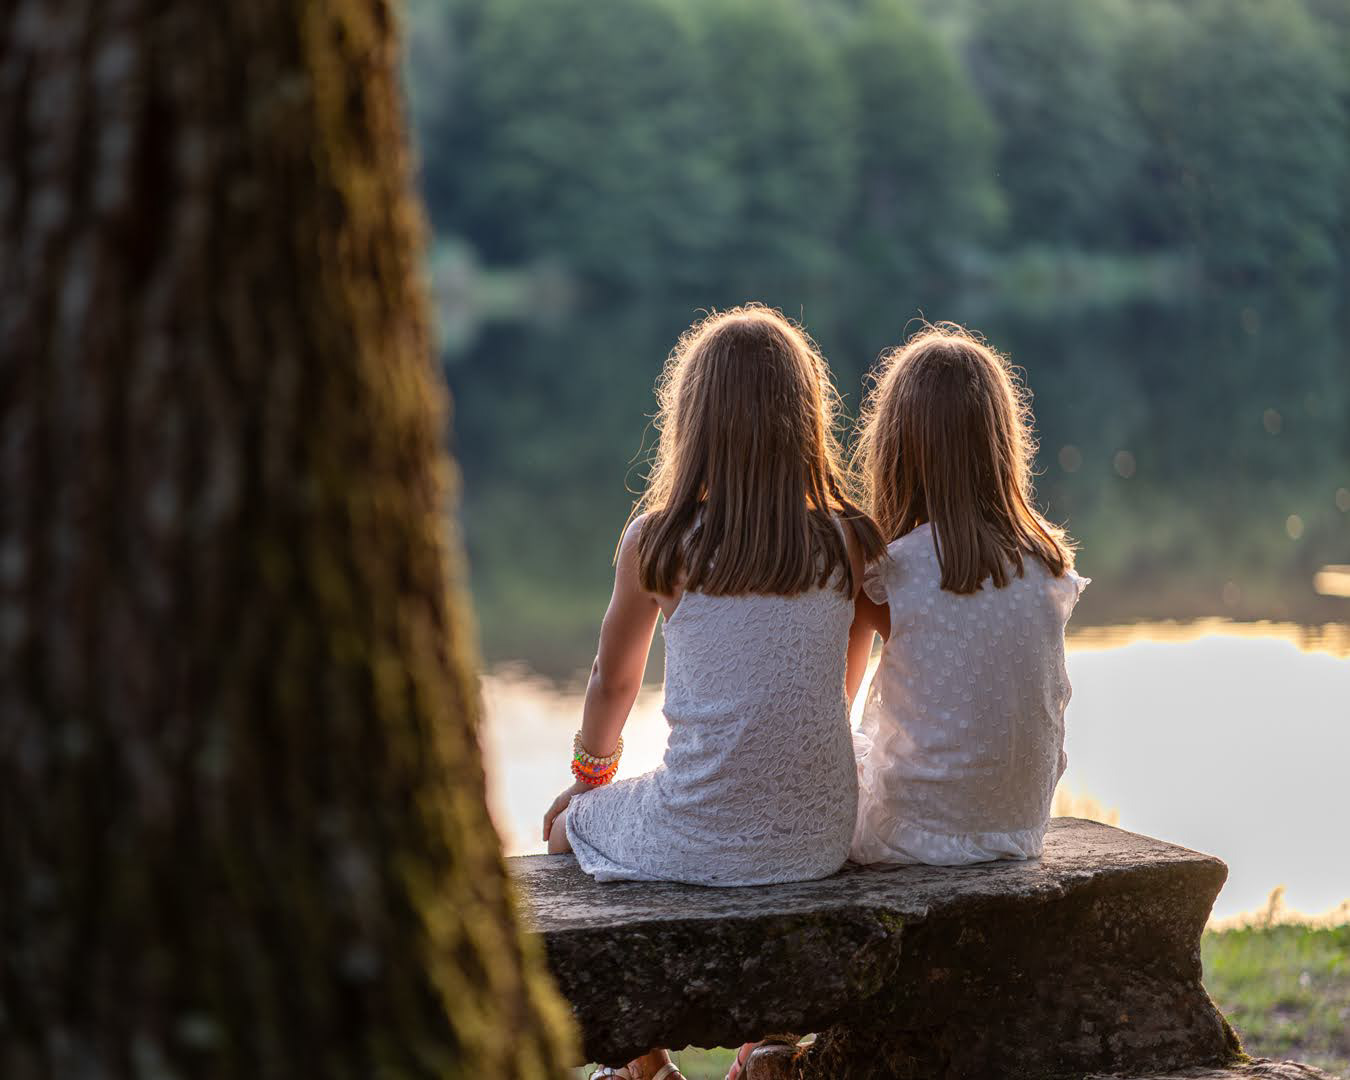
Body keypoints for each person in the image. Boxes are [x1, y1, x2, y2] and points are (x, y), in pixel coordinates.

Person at [540, 305, 883, 1080]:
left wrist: (590, 779)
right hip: (822, 836)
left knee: (568, 834)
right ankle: (768, 1044)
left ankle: (642, 1060)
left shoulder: (659, 540)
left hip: (701, 827)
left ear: (692, 423)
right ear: (806, 420)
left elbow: (612, 680)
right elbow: (839, 691)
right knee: (734, 821)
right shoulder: (850, 539)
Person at [846, 322, 1087, 868]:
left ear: (896, 448)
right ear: (1001, 444)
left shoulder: (890, 574)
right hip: (1019, 827)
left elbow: (834, 704)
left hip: (911, 835)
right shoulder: (1048, 565)